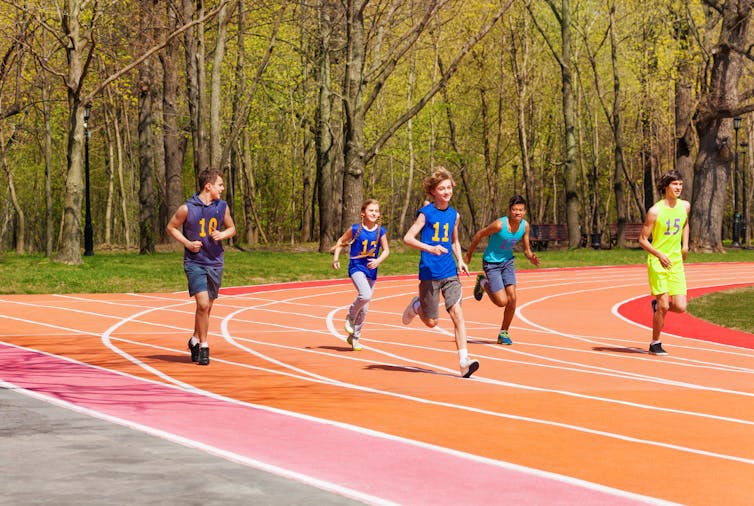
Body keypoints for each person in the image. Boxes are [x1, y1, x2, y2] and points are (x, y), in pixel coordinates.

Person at [401, 167, 480, 378]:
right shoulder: (426, 213)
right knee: (431, 322)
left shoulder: (454, 214)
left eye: (448, 187)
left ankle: (464, 361)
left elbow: (454, 240)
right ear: (433, 191)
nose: (446, 191)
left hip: (449, 271)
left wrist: (461, 260)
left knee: (457, 313)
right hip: (429, 272)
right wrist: (430, 248)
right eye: (441, 188)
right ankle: (417, 305)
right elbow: (408, 238)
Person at [166, 168, 236, 365]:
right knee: (203, 304)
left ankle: (194, 339)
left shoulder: (222, 206)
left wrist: (223, 234)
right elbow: (171, 227)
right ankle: (204, 346)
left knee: (207, 307)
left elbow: (232, 227)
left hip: (215, 261)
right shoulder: (187, 208)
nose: (222, 189)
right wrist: (188, 243)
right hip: (195, 262)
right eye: (219, 185)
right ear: (209, 186)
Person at [463, 195, 540, 345]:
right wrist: (469, 254)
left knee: (513, 299)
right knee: (501, 302)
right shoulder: (499, 225)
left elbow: (526, 249)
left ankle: (503, 332)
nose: (517, 213)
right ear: (509, 211)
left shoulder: (525, 226)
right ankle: (484, 282)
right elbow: (479, 234)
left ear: (524, 211)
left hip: (507, 263)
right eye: (514, 210)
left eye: (521, 210)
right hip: (491, 263)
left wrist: (531, 257)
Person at [638, 169, 690, 356]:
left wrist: (685, 246)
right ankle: (655, 342)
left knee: (681, 307)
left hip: (676, 262)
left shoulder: (685, 206)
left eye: (680, 184)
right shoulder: (655, 211)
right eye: (675, 184)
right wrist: (659, 254)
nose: (678, 187)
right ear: (666, 187)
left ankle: (657, 306)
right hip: (658, 262)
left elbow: (685, 224)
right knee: (665, 306)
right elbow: (643, 240)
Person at [331, 199, 390, 351]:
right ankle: (350, 316)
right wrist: (336, 258)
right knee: (365, 295)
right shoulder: (356, 229)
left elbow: (386, 250)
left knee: (364, 308)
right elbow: (341, 241)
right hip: (356, 267)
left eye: (376, 211)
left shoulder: (380, 231)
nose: (374, 213)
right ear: (363, 213)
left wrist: (378, 261)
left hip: (371, 270)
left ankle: (355, 337)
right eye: (371, 210)